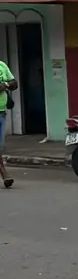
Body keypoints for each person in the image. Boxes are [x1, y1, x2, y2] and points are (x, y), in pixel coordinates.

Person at [0, 57, 17, 188]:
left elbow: (14, 83)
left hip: (2, 113)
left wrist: (4, 85)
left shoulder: (2, 66)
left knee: (0, 147)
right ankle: (5, 174)